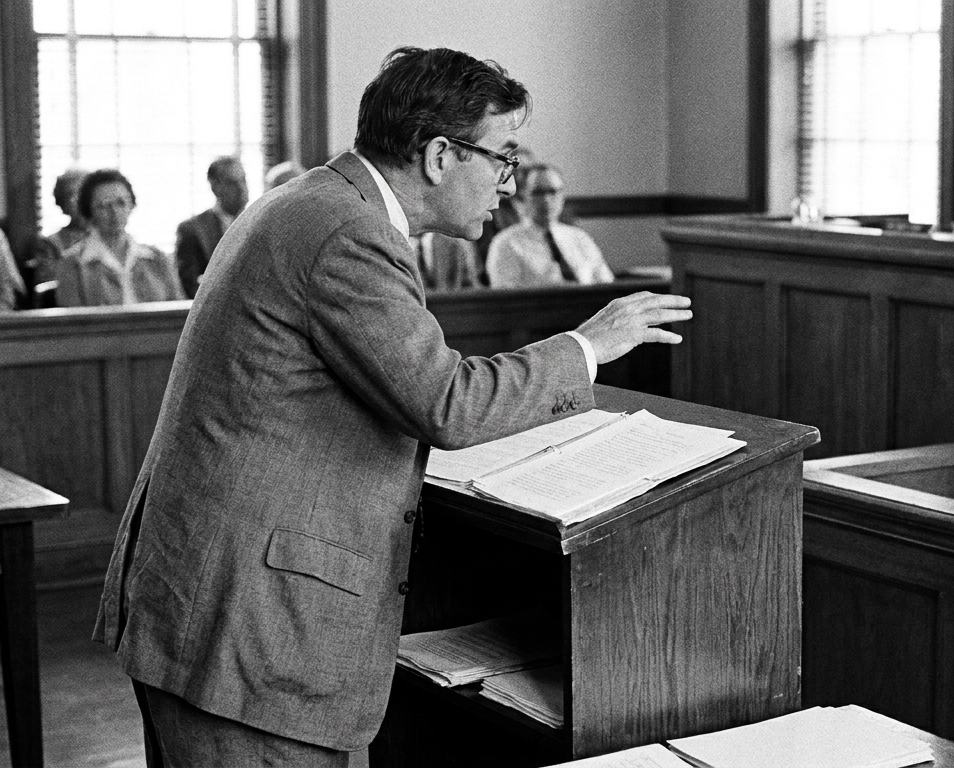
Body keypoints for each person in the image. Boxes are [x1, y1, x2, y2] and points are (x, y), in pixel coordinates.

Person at [93, 46, 691, 765]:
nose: (508, 181)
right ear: (440, 154)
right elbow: (448, 403)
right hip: (248, 630)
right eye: (503, 157)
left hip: (210, 603)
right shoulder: (349, 231)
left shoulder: (314, 201)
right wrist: (589, 344)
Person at [54, 169, 184, 307]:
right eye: (104, 205)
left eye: (121, 202)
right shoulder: (72, 264)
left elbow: (179, 312)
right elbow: (72, 323)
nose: (114, 212)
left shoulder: (157, 258)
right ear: (89, 211)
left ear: (131, 205)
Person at [487, 163, 613, 287]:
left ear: (562, 196)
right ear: (523, 197)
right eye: (538, 192)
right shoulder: (506, 243)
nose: (546, 200)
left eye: (552, 191)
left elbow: (607, 286)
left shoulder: (580, 238)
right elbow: (506, 300)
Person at [175, 156, 249, 297]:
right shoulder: (192, 230)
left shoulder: (257, 223)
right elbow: (190, 286)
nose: (241, 189)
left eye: (243, 180)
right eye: (232, 183)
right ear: (215, 188)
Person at [32, 168, 89, 284]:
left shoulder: (113, 238)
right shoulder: (50, 244)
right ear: (61, 202)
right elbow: (49, 286)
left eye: (82, 194)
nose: (75, 201)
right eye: (69, 195)